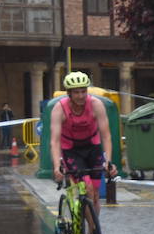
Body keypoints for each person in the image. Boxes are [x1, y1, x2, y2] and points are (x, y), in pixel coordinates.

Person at [48, 72, 118, 222]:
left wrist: (108, 161)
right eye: (76, 92)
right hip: (71, 150)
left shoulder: (96, 105)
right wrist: (56, 166)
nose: (81, 96)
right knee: (88, 189)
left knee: (95, 195)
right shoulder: (59, 109)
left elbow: (106, 136)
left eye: (83, 91)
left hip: (92, 147)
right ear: (69, 93)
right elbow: (54, 141)